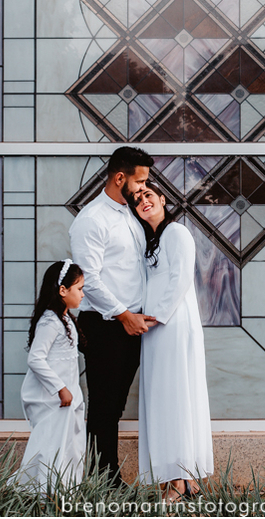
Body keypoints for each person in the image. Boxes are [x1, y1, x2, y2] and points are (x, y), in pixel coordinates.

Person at [69, 145, 158, 485]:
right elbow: (88, 279)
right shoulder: (92, 219)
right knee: (104, 406)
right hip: (106, 326)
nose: (144, 187)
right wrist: (124, 315)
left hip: (131, 325)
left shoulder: (130, 215)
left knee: (115, 407)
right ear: (120, 178)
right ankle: (104, 480)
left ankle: (104, 475)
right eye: (140, 180)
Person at [133, 181, 213, 500]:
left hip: (173, 325)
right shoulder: (150, 241)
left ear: (163, 199)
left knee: (178, 397)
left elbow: (181, 278)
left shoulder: (177, 232)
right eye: (137, 199)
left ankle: (180, 481)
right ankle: (179, 479)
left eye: (148, 195)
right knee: (162, 399)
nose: (144, 201)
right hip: (153, 329)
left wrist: (157, 316)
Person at [13, 259, 87, 491]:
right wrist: (60, 388)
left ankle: (66, 490)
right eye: (80, 289)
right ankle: (45, 494)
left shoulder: (65, 320)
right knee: (51, 447)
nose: (83, 295)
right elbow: (36, 358)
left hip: (68, 398)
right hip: (53, 398)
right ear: (63, 290)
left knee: (71, 446)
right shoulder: (50, 321)